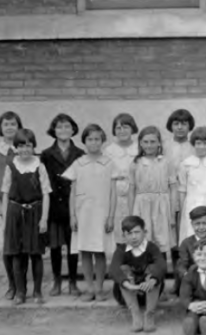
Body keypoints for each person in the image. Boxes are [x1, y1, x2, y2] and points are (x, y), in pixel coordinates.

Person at [64, 124, 117, 302]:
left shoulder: (109, 163)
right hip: (83, 215)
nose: (93, 142)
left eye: (97, 139)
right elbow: (72, 192)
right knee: (85, 251)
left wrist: (111, 216)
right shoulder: (78, 164)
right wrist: (72, 215)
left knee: (100, 251)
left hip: (102, 215)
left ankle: (100, 288)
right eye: (90, 139)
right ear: (84, 141)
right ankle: (89, 288)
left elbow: (113, 192)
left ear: (102, 141)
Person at [1, 129, 51, 305]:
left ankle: (37, 291)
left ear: (33, 146)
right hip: (15, 214)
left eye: (28, 145)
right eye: (21, 146)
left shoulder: (40, 166)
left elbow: (46, 194)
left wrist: (44, 218)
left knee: (35, 254)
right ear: (16, 147)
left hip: (35, 213)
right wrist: (4, 219)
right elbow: (6, 193)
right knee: (17, 255)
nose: (25, 149)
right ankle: (21, 291)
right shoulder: (11, 166)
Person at [40, 113, 84, 297]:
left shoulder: (80, 153)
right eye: (59, 127)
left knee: (73, 246)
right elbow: (43, 181)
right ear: (53, 130)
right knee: (56, 246)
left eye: (67, 127)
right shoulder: (46, 154)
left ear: (73, 129)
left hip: (73, 204)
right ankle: (57, 281)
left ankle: (73, 281)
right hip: (54, 205)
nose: (63, 130)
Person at [0, 111, 23, 300]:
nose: (10, 127)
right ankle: (11, 285)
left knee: (22, 247)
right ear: (0, 128)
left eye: (13, 124)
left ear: (19, 127)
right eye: (6, 124)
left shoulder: (23, 149)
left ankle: (22, 286)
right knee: (7, 248)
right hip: (3, 205)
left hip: (23, 204)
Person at [110, 216, 167, 333]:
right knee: (123, 269)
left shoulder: (151, 247)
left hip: (149, 291)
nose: (133, 237)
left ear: (144, 232)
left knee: (154, 269)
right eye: (129, 233)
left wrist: (153, 280)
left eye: (137, 232)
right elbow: (113, 269)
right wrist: (128, 285)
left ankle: (149, 314)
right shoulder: (121, 249)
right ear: (123, 236)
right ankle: (135, 315)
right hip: (127, 293)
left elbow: (162, 265)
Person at [128, 126, 177, 256]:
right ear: (140, 143)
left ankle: (159, 272)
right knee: (143, 239)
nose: (149, 145)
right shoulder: (135, 163)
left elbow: (173, 188)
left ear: (159, 143)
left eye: (152, 142)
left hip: (161, 205)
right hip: (142, 205)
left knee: (161, 239)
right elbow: (132, 189)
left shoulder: (166, 162)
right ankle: (144, 273)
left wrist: (172, 214)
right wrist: (131, 214)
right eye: (145, 142)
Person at [164, 108, 196, 297]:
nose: (180, 127)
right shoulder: (165, 146)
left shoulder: (195, 145)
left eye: (184, 123)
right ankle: (177, 281)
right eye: (176, 123)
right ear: (171, 126)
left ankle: (190, 280)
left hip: (190, 194)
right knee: (174, 240)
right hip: (169, 195)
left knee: (188, 238)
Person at [178, 126, 206, 241]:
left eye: (205, 143)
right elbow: (182, 190)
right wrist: (182, 210)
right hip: (192, 203)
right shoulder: (186, 164)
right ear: (193, 144)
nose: (201, 147)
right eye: (198, 143)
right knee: (191, 235)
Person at [104, 113, 139, 253]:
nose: (122, 131)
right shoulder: (108, 151)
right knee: (119, 233)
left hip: (135, 192)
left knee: (135, 230)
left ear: (132, 128)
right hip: (116, 195)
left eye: (125, 127)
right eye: (118, 128)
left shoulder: (139, 148)